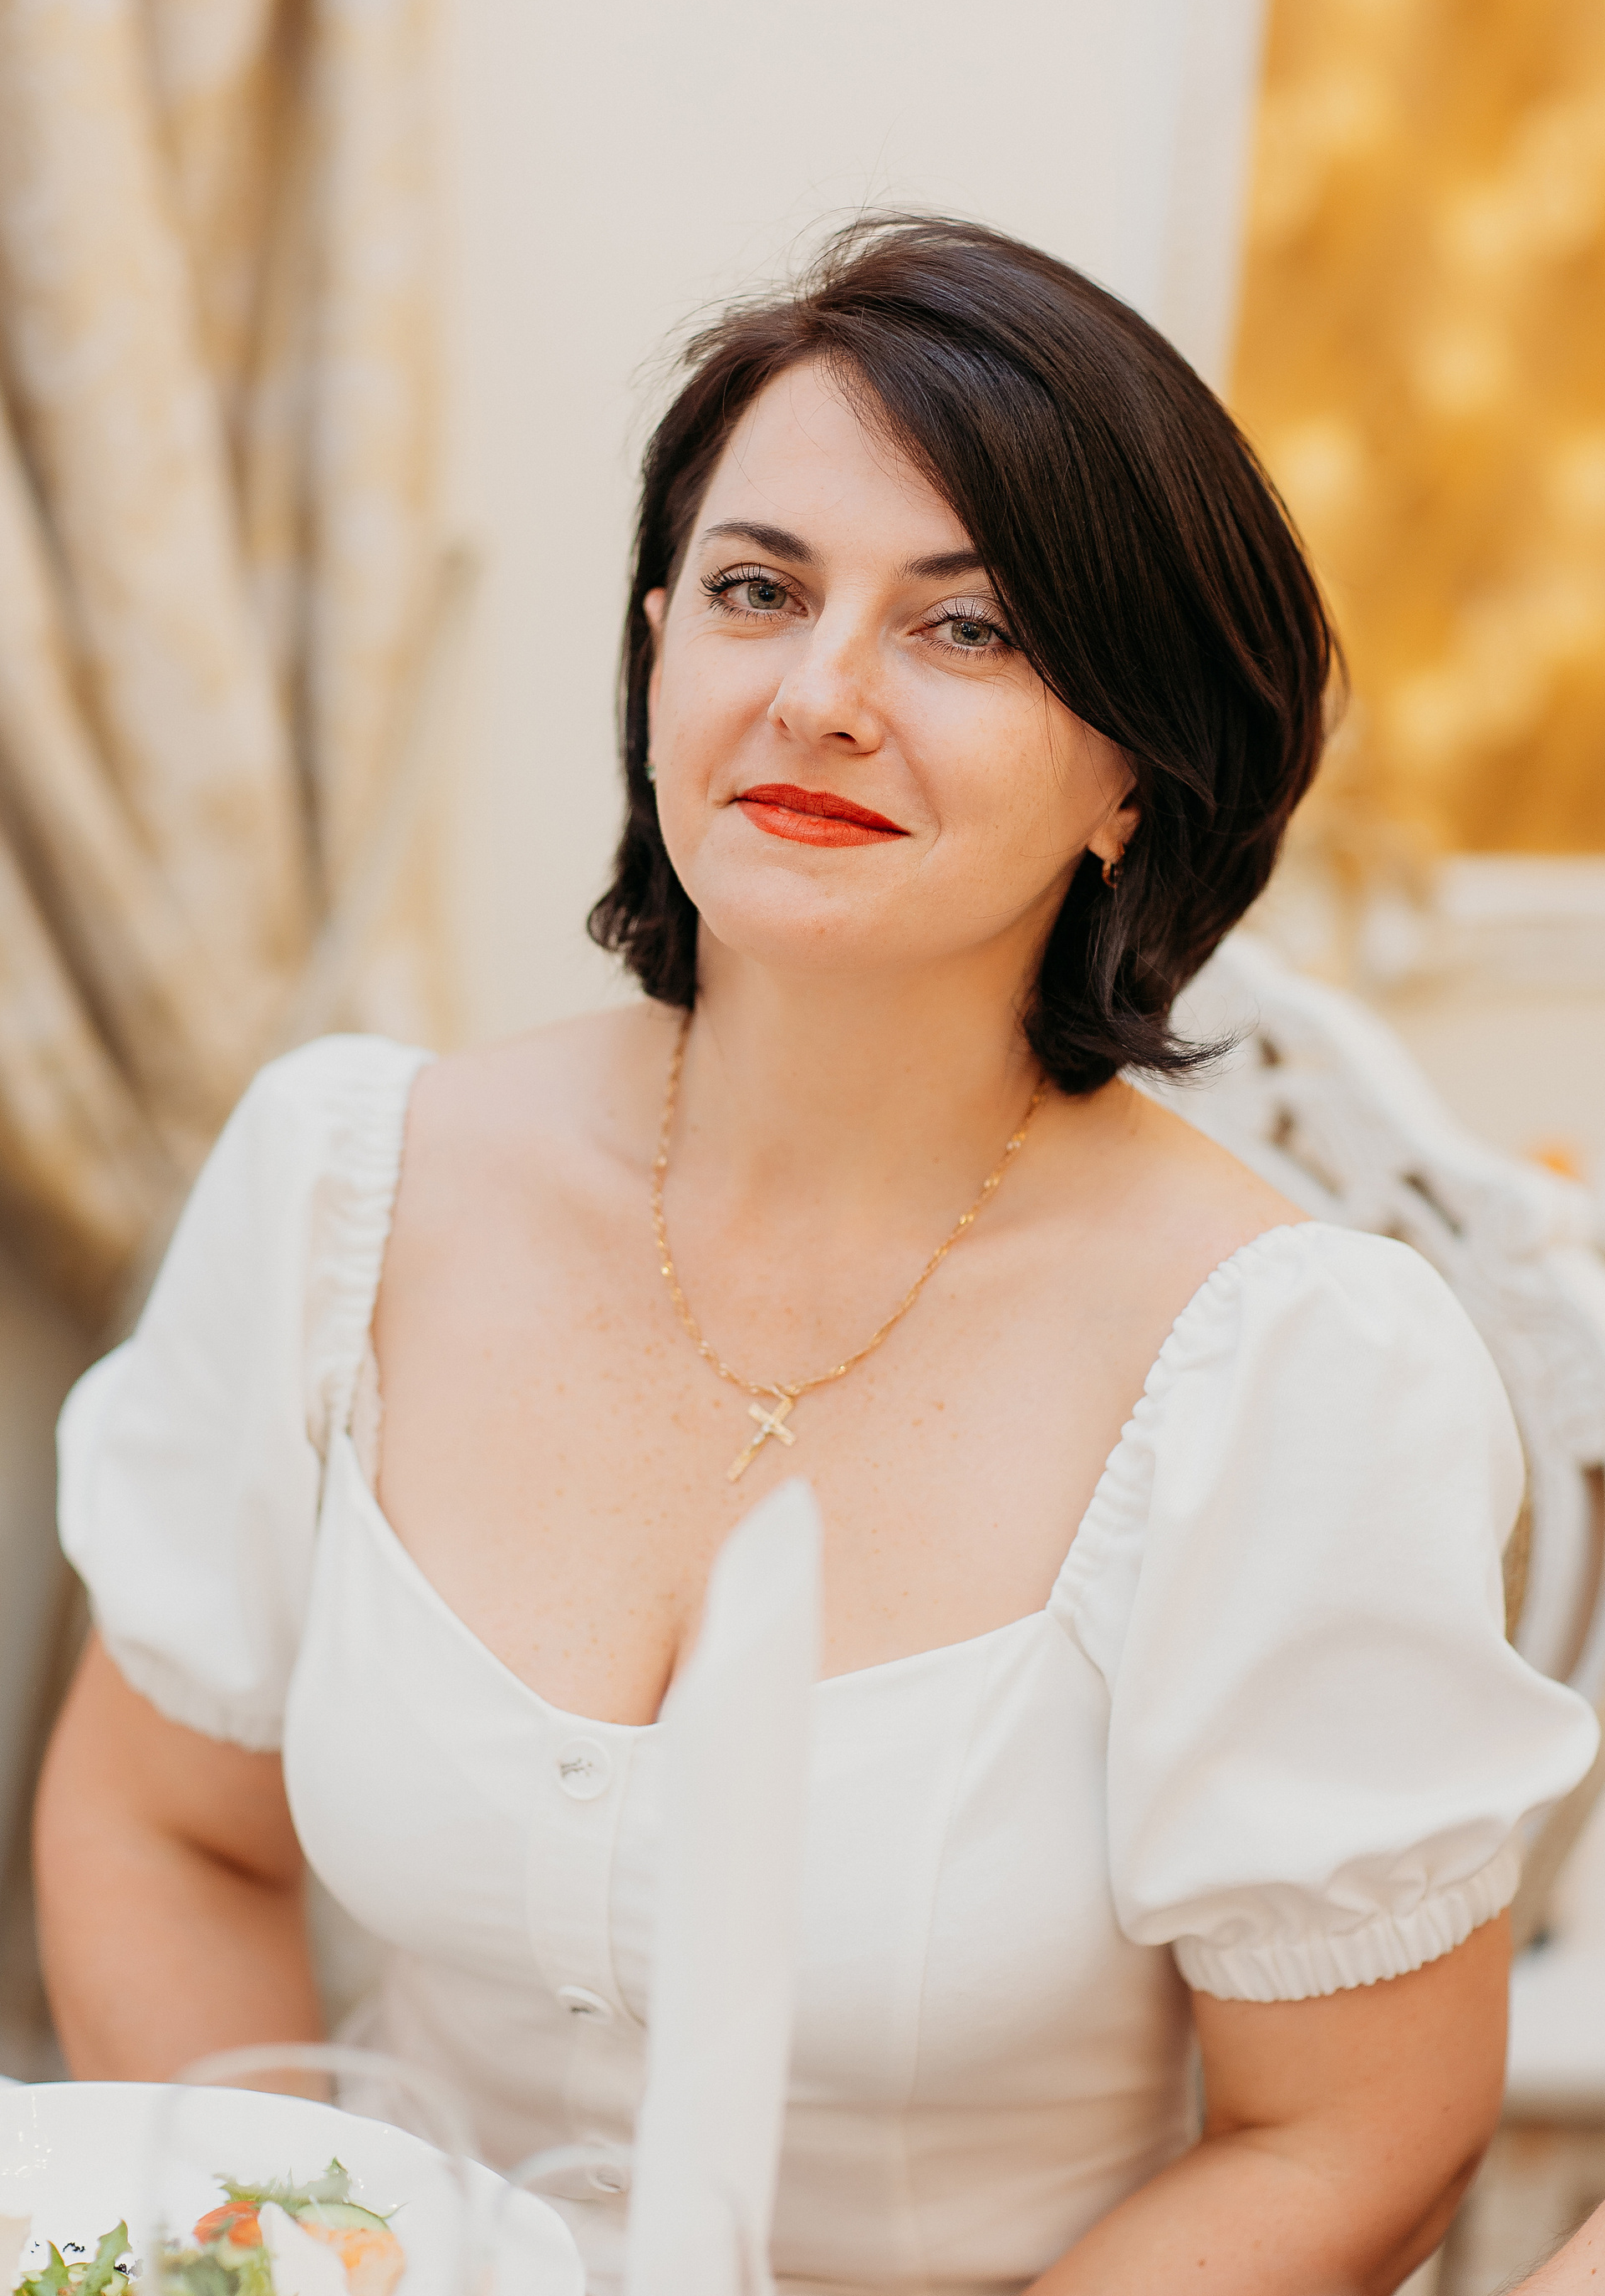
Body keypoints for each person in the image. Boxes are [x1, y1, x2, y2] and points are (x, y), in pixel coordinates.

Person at [35, 216, 1597, 2296]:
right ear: (658, 654)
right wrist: (297, 2251)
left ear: (1136, 772)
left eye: (968, 630)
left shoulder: (1291, 1367)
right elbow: (164, 1829)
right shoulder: (346, 1183)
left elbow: (1353, 2136)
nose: (820, 697)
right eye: (758, 591)